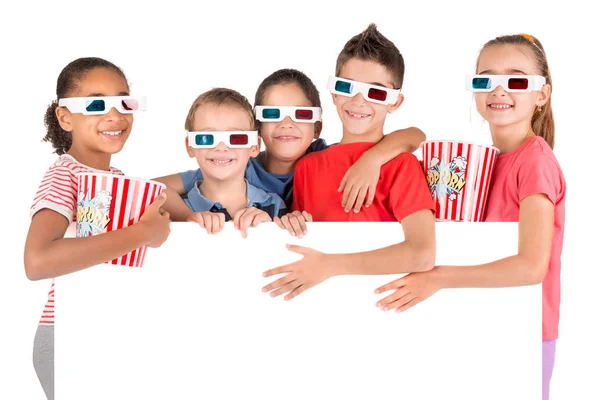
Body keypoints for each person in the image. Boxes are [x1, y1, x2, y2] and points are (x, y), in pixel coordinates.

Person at [375, 34, 564, 400]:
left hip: (523, 327)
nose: (499, 90)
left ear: (542, 94)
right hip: (487, 317)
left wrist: (437, 278)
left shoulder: (535, 161)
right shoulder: (484, 163)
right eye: (485, 79)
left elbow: (531, 267)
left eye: (517, 80)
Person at [24, 57, 171, 400]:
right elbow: (37, 260)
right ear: (65, 117)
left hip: (103, 327)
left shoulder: (119, 183)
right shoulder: (66, 175)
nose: (115, 115)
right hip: (67, 332)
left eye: (124, 101)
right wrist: (143, 234)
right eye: (95, 103)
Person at [261, 24, 436, 301]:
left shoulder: (403, 165)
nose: (358, 100)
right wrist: (290, 220)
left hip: (377, 300)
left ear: (395, 102)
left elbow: (422, 254)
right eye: (347, 87)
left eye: (376, 92)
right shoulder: (307, 166)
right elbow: (299, 242)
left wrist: (331, 265)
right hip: (318, 300)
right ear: (333, 92)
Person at [155, 68, 426, 236]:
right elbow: (150, 190)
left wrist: (372, 160)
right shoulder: (232, 165)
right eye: (273, 114)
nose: (287, 124)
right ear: (256, 133)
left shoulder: (327, 161)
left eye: (301, 114)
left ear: (317, 127)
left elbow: (415, 135)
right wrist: (189, 219)